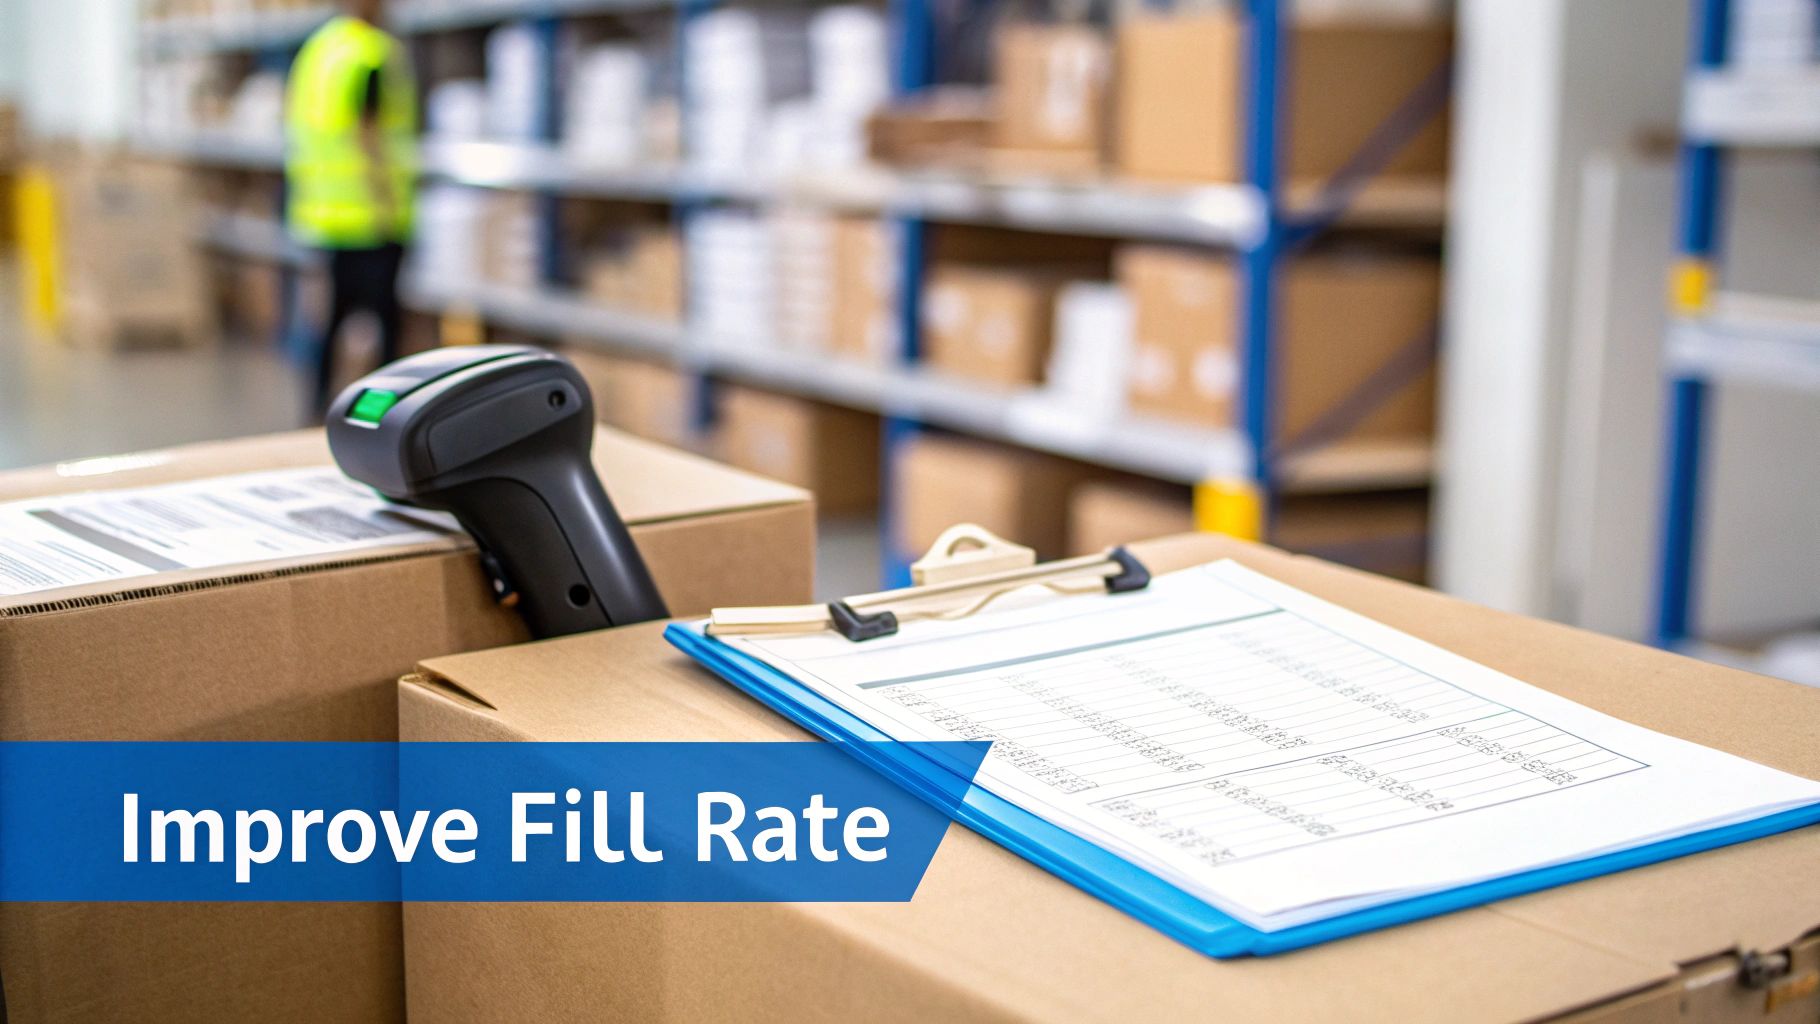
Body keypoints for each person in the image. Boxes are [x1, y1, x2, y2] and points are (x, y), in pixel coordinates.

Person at [285, 0, 419, 413]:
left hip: (325, 214)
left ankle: (315, 409)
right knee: (385, 326)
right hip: (370, 218)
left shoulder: (320, 49)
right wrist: (386, 201)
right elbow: (369, 131)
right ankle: (381, 413)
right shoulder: (370, 53)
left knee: (330, 321)